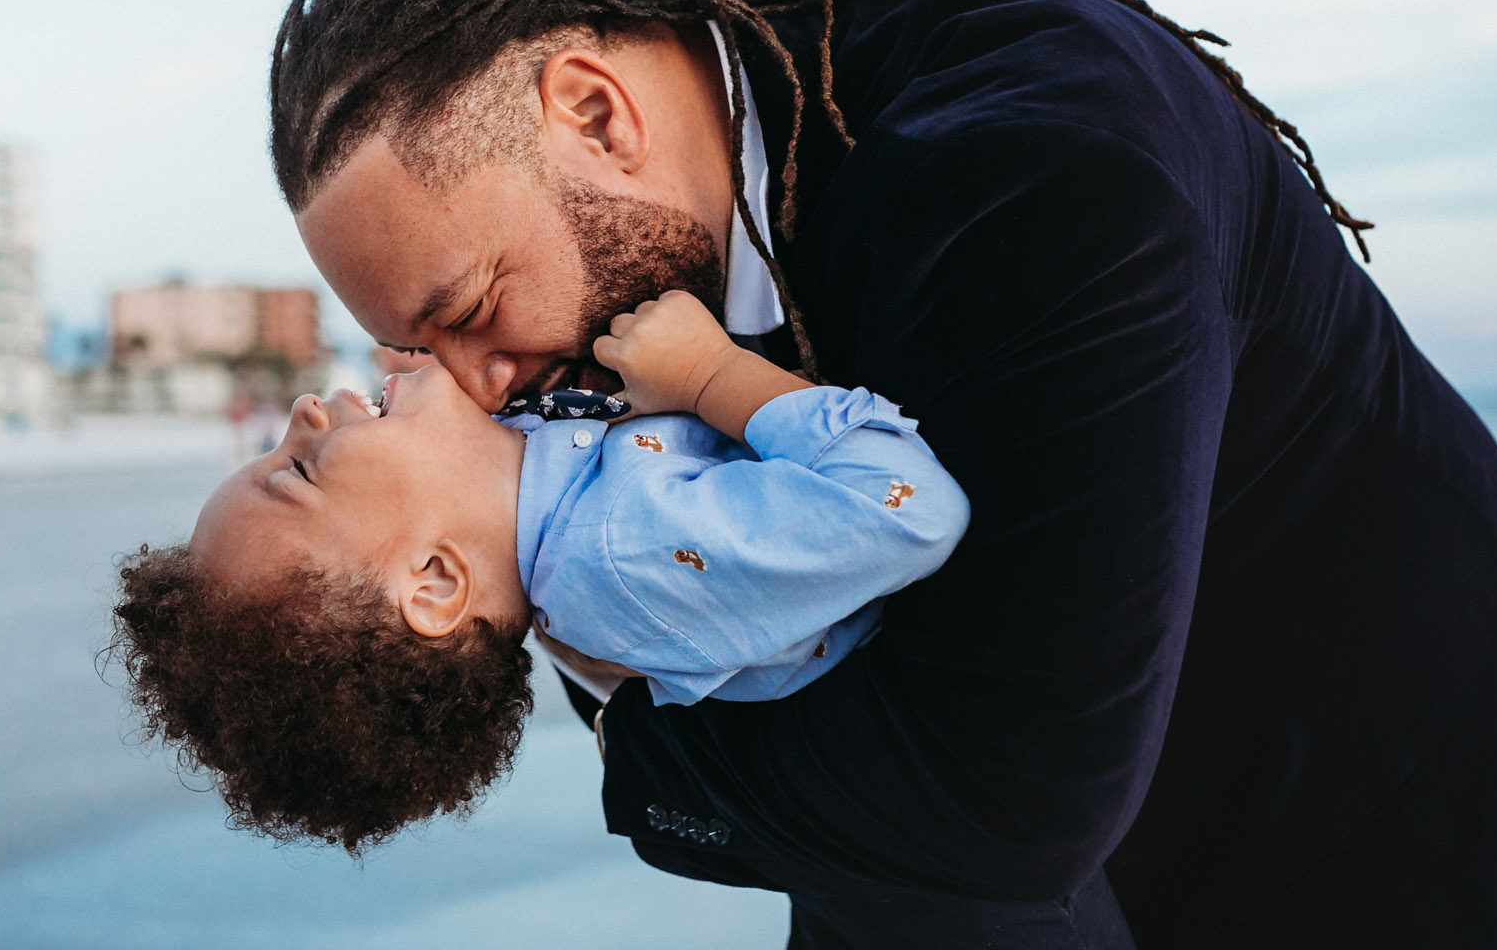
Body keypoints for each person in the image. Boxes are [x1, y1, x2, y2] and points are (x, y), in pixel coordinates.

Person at [264, 0, 1497, 950]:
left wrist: (645, 752)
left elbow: (1012, 796)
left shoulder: (1040, 165)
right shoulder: (679, 255)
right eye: (425, 360)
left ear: (593, 112)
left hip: (1402, 880)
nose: (479, 388)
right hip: (1163, 909)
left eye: (473, 313)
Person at [112, 289, 966, 851]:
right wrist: (712, 375)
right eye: (298, 471)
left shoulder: (534, 483)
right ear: (437, 582)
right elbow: (911, 509)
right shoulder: (624, 553)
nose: (299, 413)